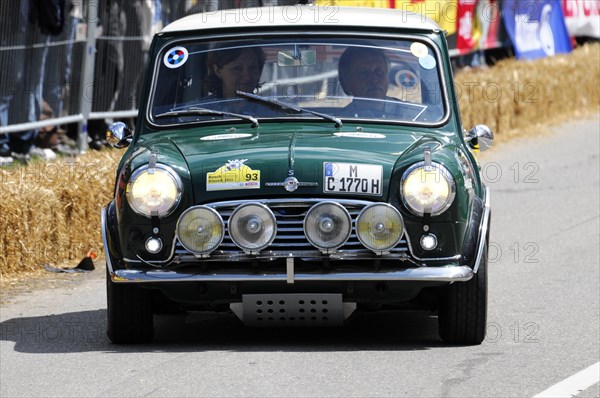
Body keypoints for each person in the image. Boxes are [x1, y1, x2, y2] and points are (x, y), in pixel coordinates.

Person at [203, 46, 266, 111]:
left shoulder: (271, 111)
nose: (247, 77)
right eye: (237, 68)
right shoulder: (200, 111)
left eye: (252, 67)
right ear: (217, 70)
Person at [337, 46, 391, 117]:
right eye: (364, 74)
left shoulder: (407, 115)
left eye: (379, 72)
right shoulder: (341, 121)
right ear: (347, 83)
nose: (374, 80)